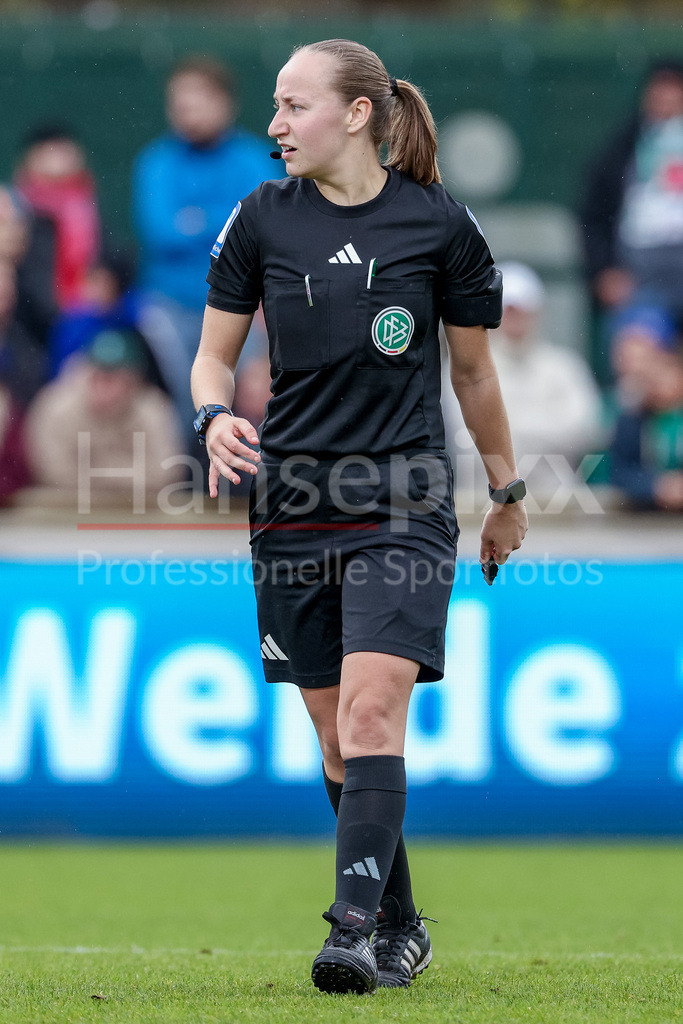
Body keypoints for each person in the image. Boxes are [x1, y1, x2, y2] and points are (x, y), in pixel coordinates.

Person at [191, 38, 527, 995]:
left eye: (293, 106)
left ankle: (349, 931)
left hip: (404, 501)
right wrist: (214, 415)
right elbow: (212, 358)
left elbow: (472, 374)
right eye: (273, 106)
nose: (273, 125)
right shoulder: (259, 217)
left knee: (378, 711)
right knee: (339, 739)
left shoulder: (440, 225)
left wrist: (506, 496)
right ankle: (402, 924)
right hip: (291, 504)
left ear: (355, 114)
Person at [133, 56, 280, 450]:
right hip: (169, 307)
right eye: (179, 103)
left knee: (247, 400)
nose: (187, 111)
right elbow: (161, 232)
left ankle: (245, 483)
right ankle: (186, 481)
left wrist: (194, 220)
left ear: (225, 103)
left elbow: (258, 231)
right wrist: (223, 218)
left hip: (242, 308)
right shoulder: (156, 161)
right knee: (184, 400)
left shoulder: (256, 158)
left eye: (197, 100)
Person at [443, 262, 604, 502]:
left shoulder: (565, 367)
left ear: (537, 312)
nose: (514, 318)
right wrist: (544, 430)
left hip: (559, 505)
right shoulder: (464, 368)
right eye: (508, 309)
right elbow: (467, 442)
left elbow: (586, 432)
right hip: (485, 506)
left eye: (522, 310)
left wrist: (506, 431)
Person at [25, 327, 185, 507]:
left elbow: (167, 472)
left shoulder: (154, 410)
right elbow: (52, 473)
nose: (104, 388)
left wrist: (93, 474)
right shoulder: (56, 407)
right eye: (98, 377)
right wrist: (126, 474)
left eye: (114, 378)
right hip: (67, 512)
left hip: (139, 512)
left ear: (134, 381)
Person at [580, 59, 683, 327]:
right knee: (638, 351)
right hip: (640, 281)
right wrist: (604, 270)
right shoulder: (621, 149)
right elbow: (593, 213)